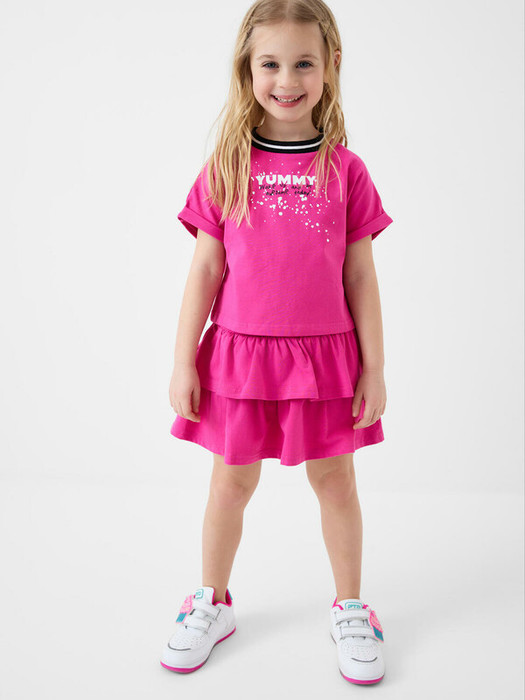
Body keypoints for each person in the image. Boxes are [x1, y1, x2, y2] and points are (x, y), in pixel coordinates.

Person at [160, 0, 393, 685]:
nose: (286, 80)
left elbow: (360, 275)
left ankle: (350, 607)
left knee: (336, 482)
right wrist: (182, 361)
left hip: (325, 361)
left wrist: (374, 367)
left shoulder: (346, 171)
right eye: (270, 63)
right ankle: (211, 601)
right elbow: (204, 270)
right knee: (229, 484)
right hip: (239, 359)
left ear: (331, 66)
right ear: (247, 68)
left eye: (303, 63)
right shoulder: (226, 165)